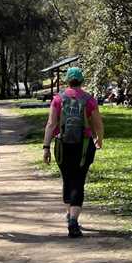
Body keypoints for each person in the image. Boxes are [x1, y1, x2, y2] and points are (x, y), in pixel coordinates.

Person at [42, 67, 104, 237]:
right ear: (82, 81)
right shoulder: (89, 100)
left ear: (67, 80)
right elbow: (97, 123)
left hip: (62, 145)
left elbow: (51, 124)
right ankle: (73, 221)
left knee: (67, 179)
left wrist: (46, 147)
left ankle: (70, 214)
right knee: (79, 180)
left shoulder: (58, 99)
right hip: (84, 145)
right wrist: (99, 138)